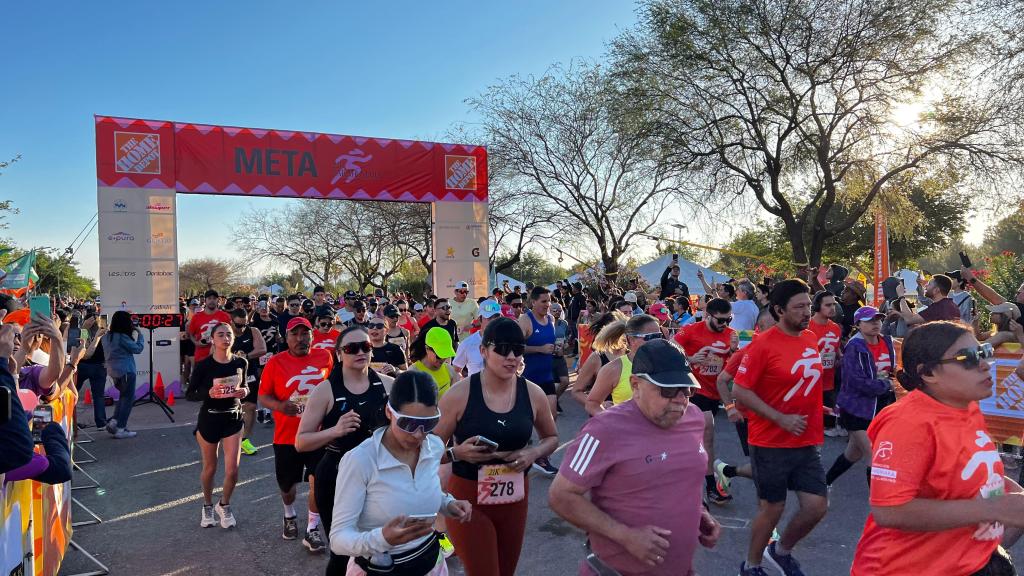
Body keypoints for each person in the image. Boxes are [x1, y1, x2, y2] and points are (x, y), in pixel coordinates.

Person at [851, 321, 1024, 575]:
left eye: (984, 351)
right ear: (929, 373)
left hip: (968, 563)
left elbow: (965, 467)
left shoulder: (965, 406)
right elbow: (889, 510)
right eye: (969, 358)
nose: (986, 364)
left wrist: (1010, 491)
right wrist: (993, 508)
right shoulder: (908, 422)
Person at [549, 339, 721, 575]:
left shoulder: (694, 418)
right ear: (635, 384)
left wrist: (699, 512)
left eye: (687, 389)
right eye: (668, 390)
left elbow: (681, 478)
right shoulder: (605, 428)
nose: (681, 399)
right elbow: (560, 496)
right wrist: (625, 535)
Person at [433, 317, 558, 576]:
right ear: (483, 351)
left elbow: (551, 438)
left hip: (514, 498)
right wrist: (457, 453)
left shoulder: (533, 393)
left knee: (505, 571)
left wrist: (532, 453)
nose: (511, 357)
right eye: (502, 349)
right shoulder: (459, 395)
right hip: (468, 499)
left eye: (517, 349)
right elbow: (425, 452)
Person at [329, 371, 473, 576]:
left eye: (429, 423)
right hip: (380, 569)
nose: (418, 434)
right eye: (408, 423)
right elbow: (338, 539)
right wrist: (382, 539)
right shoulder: (361, 460)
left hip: (431, 564)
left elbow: (422, 489)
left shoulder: (433, 446)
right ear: (389, 412)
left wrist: (448, 504)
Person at [733, 279, 828, 576]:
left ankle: (780, 551)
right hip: (770, 441)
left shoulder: (810, 338)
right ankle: (751, 565)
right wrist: (780, 418)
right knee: (772, 507)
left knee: (816, 506)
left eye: (808, 305)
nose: (806, 312)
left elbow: (803, 381)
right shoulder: (762, 344)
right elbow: (740, 390)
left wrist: (817, 407)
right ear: (779, 310)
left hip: (806, 439)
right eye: (799, 307)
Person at [298, 326, 395, 576]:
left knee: (380, 550)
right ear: (340, 354)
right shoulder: (325, 390)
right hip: (336, 477)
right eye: (352, 348)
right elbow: (301, 441)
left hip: (379, 476)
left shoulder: (388, 385)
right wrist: (335, 430)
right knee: (343, 553)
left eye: (366, 347)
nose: (360, 352)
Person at [258, 316, 335, 553]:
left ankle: (312, 528)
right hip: (286, 436)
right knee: (287, 487)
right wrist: (280, 406)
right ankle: (289, 514)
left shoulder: (325, 357)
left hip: (318, 434)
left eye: (305, 333)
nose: (301, 339)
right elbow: (263, 396)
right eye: (295, 334)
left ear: (312, 335)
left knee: (318, 482)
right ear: (286, 337)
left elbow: (334, 387)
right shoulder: (276, 363)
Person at [673, 297, 738, 505]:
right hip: (693, 389)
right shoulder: (691, 330)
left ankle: (708, 475)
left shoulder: (731, 334)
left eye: (729, 319)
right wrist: (691, 359)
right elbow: (670, 349)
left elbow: (733, 366)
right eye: (721, 320)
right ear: (708, 316)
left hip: (714, 392)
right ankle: (709, 487)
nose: (725, 324)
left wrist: (734, 352)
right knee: (707, 434)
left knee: (699, 440)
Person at [824, 306, 895, 490]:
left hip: (879, 406)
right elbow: (855, 381)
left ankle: (823, 484)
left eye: (878, 319)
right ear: (858, 325)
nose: (875, 324)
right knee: (874, 455)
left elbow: (893, 371)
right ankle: (878, 503)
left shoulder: (887, 342)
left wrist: (895, 382)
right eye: (869, 321)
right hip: (856, 409)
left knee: (853, 454)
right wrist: (886, 385)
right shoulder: (854, 347)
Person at [190, 322, 248, 529]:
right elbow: (190, 394)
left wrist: (245, 391)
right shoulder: (204, 365)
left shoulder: (241, 362)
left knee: (233, 470)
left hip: (233, 418)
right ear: (212, 340)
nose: (226, 338)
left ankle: (224, 504)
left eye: (229, 334)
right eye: (221, 335)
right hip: (210, 419)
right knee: (210, 467)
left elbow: (246, 385)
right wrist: (208, 393)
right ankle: (207, 505)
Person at [714, 307, 778, 491]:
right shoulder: (746, 352)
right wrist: (730, 408)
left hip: (774, 417)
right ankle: (766, 499)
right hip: (749, 419)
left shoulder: (782, 352)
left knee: (773, 465)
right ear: (760, 327)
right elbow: (722, 380)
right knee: (766, 467)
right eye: (774, 327)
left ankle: (727, 471)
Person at [585, 315, 665, 416]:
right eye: (650, 337)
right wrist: (610, 421)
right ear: (631, 339)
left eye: (658, 336)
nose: (656, 341)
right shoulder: (614, 368)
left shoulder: (668, 363)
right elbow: (592, 403)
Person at [518, 287, 559, 429]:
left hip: (546, 376)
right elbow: (516, 347)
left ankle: (546, 441)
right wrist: (539, 349)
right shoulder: (525, 320)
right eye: (544, 301)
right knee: (525, 421)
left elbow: (550, 344)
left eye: (549, 301)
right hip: (528, 377)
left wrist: (557, 349)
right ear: (533, 302)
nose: (547, 304)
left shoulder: (551, 319)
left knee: (552, 415)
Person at [101, 310, 146, 439]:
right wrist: (140, 335)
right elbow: (138, 349)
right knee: (128, 399)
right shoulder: (122, 337)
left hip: (113, 372)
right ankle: (121, 428)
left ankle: (114, 422)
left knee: (123, 397)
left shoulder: (106, 337)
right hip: (126, 371)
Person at [229, 308, 267, 456]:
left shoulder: (253, 331)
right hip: (229, 375)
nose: (242, 328)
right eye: (239, 325)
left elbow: (262, 349)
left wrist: (246, 356)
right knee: (229, 408)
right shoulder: (225, 331)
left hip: (249, 374)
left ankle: (244, 440)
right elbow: (213, 352)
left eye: (245, 324)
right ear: (231, 322)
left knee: (250, 406)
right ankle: (228, 437)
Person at [571, 312, 627, 408]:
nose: (622, 334)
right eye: (617, 329)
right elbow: (576, 391)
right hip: (605, 415)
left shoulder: (633, 353)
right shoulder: (597, 357)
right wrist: (600, 405)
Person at [807, 292, 844, 437]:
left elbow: (837, 348)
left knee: (828, 419)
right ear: (817, 306)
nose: (832, 308)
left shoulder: (835, 328)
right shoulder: (807, 326)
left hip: (829, 378)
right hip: (809, 379)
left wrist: (841, 358)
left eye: (833, 304)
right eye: (828, 305)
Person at [452, 299, 502, 377]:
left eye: (496, 317)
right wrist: (468, 383)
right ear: (479, 319)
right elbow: (456, 371)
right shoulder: (467, 344)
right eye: (489, 318)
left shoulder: (508, 340)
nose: (494, 321)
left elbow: (518, 367)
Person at [76, 314, 109, 428]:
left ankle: (72, 421)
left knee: (72, 394)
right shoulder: (103, 333)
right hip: (98, 366)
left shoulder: (84, 332)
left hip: (83, 365)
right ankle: (101, 422)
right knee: (98, 396)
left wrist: (84, 328)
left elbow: (83, 347)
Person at [409, 327, 459, 398]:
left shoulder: (450, 371)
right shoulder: (413, 373)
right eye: (439, 355)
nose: (442, 359)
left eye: (445, 355)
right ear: (427, 348)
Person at [189, 289, 231, 364]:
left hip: (220, 357)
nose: (212, 301)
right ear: (205, 300)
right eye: (209, 298)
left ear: (218, 300)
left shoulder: (225, 316)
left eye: (214, 298)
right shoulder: (196, 317)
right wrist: (196, 343)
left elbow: (231, 335)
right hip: (201, 358)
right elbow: (191, 334)